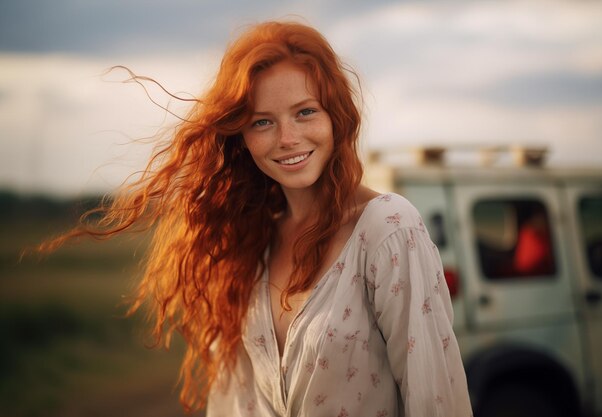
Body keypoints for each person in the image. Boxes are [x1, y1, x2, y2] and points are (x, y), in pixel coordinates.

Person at [47, 20, 472, 416]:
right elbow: (233, 402)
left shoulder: (389, 229)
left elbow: (436, 399)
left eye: (305, 111)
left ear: (336, 116)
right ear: (242, 138)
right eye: (263, 121)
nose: (287, 139)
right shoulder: (250, 241)